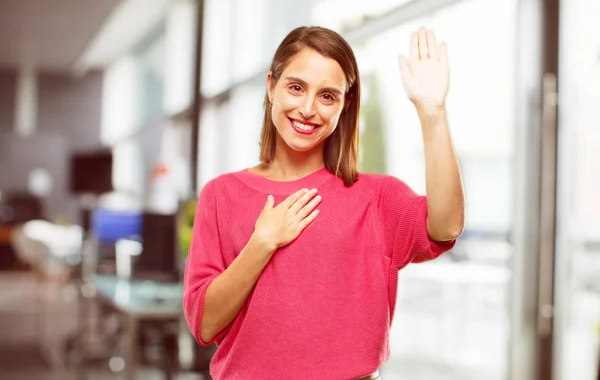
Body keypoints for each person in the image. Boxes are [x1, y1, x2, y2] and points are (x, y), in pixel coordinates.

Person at [183, 25, 465, 380]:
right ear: (272, 86)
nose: (307, 108)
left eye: (327, 96)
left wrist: (433, 111)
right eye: (296, 87)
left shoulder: (375, 198)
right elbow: (204, 324)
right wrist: (262, 243)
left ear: (344, 105)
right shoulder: (221, 195)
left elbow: (447, 225)